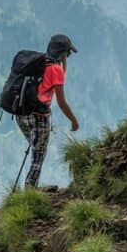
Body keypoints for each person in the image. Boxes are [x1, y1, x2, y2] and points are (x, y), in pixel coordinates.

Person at [16, 34, 79, 188]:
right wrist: (74, 120)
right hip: (39, 116)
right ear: (64, 53)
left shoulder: (39, 63)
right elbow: (62, 102)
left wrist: (62, 61)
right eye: (68, 53)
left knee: (36, 149)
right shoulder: (55, 69)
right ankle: (30, 192)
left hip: (21, 114)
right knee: (38, 155)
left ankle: (32, 187)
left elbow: (59, 76)